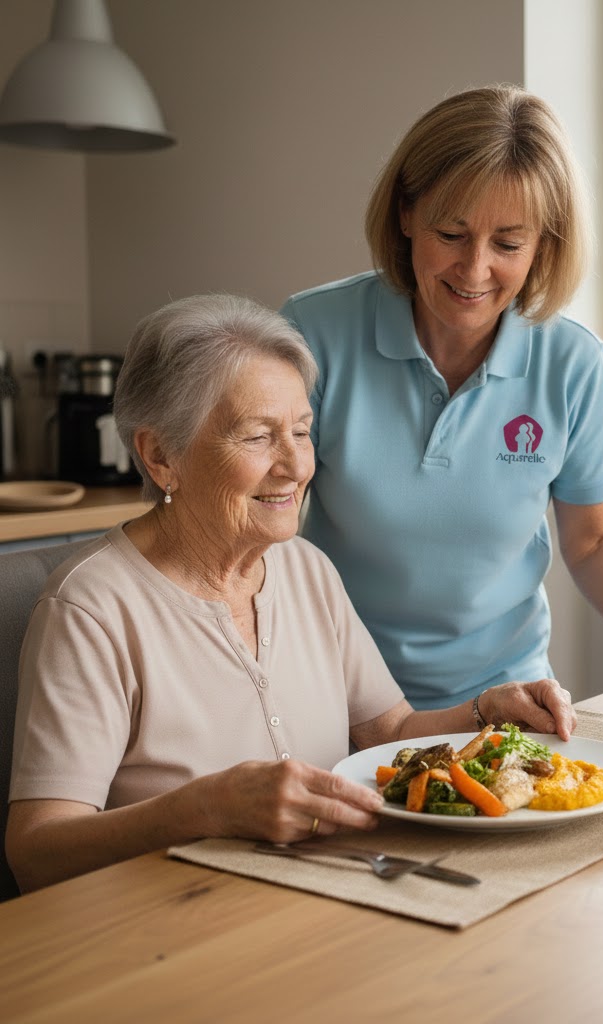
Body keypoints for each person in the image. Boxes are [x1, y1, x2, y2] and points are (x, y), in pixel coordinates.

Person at [5, 294, 574, 894]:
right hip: (173, 930)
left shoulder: (306, 569)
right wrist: (203, 809)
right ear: (160, 455)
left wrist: (485, 713)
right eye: (257, 437)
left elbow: (389, 732)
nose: (295, 465)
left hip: (326, 896)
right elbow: (36, 852)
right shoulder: (92, 609)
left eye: (301, 432)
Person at [280, 84, 603, 710]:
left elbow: (596, 540)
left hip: (500, 699)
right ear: (406, 214)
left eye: (508, 244)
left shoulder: (571, 361)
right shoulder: (314, 332)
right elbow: (261, 521)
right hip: (334, 694)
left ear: (545, 243)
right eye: (451, 233)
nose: (475, 269)